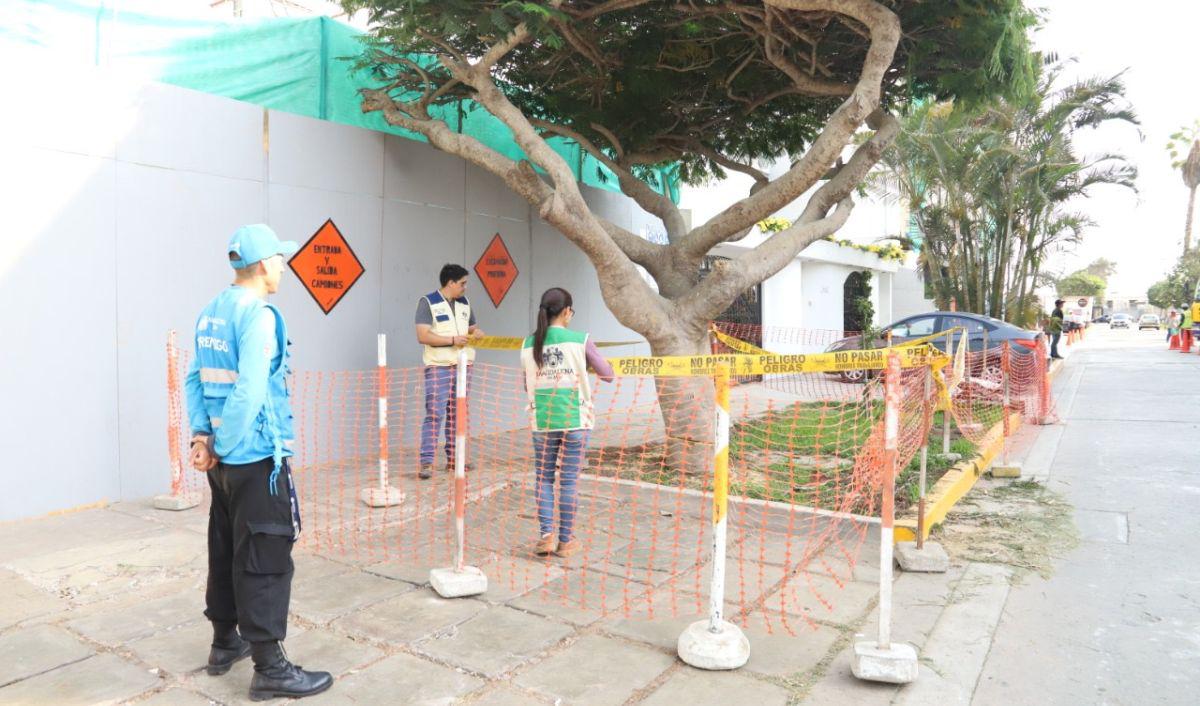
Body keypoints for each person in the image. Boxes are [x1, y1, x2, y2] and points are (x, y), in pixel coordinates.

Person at [185, 224, 332, 701]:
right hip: (254, 457)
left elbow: (193, 380)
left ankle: (225, 643)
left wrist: (202, 439)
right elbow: (249, 389)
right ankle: (270, 666)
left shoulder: (211, 311)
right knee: (266, 556)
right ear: (265, 264)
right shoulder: (260, 314)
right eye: (281, 260)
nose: (284, 267)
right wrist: (224, 442)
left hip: (223, 464)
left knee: (227, 549)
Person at [519, 288, 614, 558]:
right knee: (569, 481)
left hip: (542, 420)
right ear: (567, 312)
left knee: (544, 478)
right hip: (576, 420)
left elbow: (524, 382)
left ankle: (546, 536)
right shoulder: (579, 340)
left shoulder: (527, 344)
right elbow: (608, 375)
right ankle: (566, 541)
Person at [415, 264, 484, 479]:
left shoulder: (465, 303)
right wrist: (452, 340)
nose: (465, 287)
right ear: (450, 283)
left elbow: (471, 326)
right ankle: (427, 462)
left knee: (458, 414)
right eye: (462, 283)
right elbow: (423, 335)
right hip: (439, 367)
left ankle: (455, 459)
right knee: (435, 414)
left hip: (464, 367)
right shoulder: (427, 303)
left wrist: (477, 332)